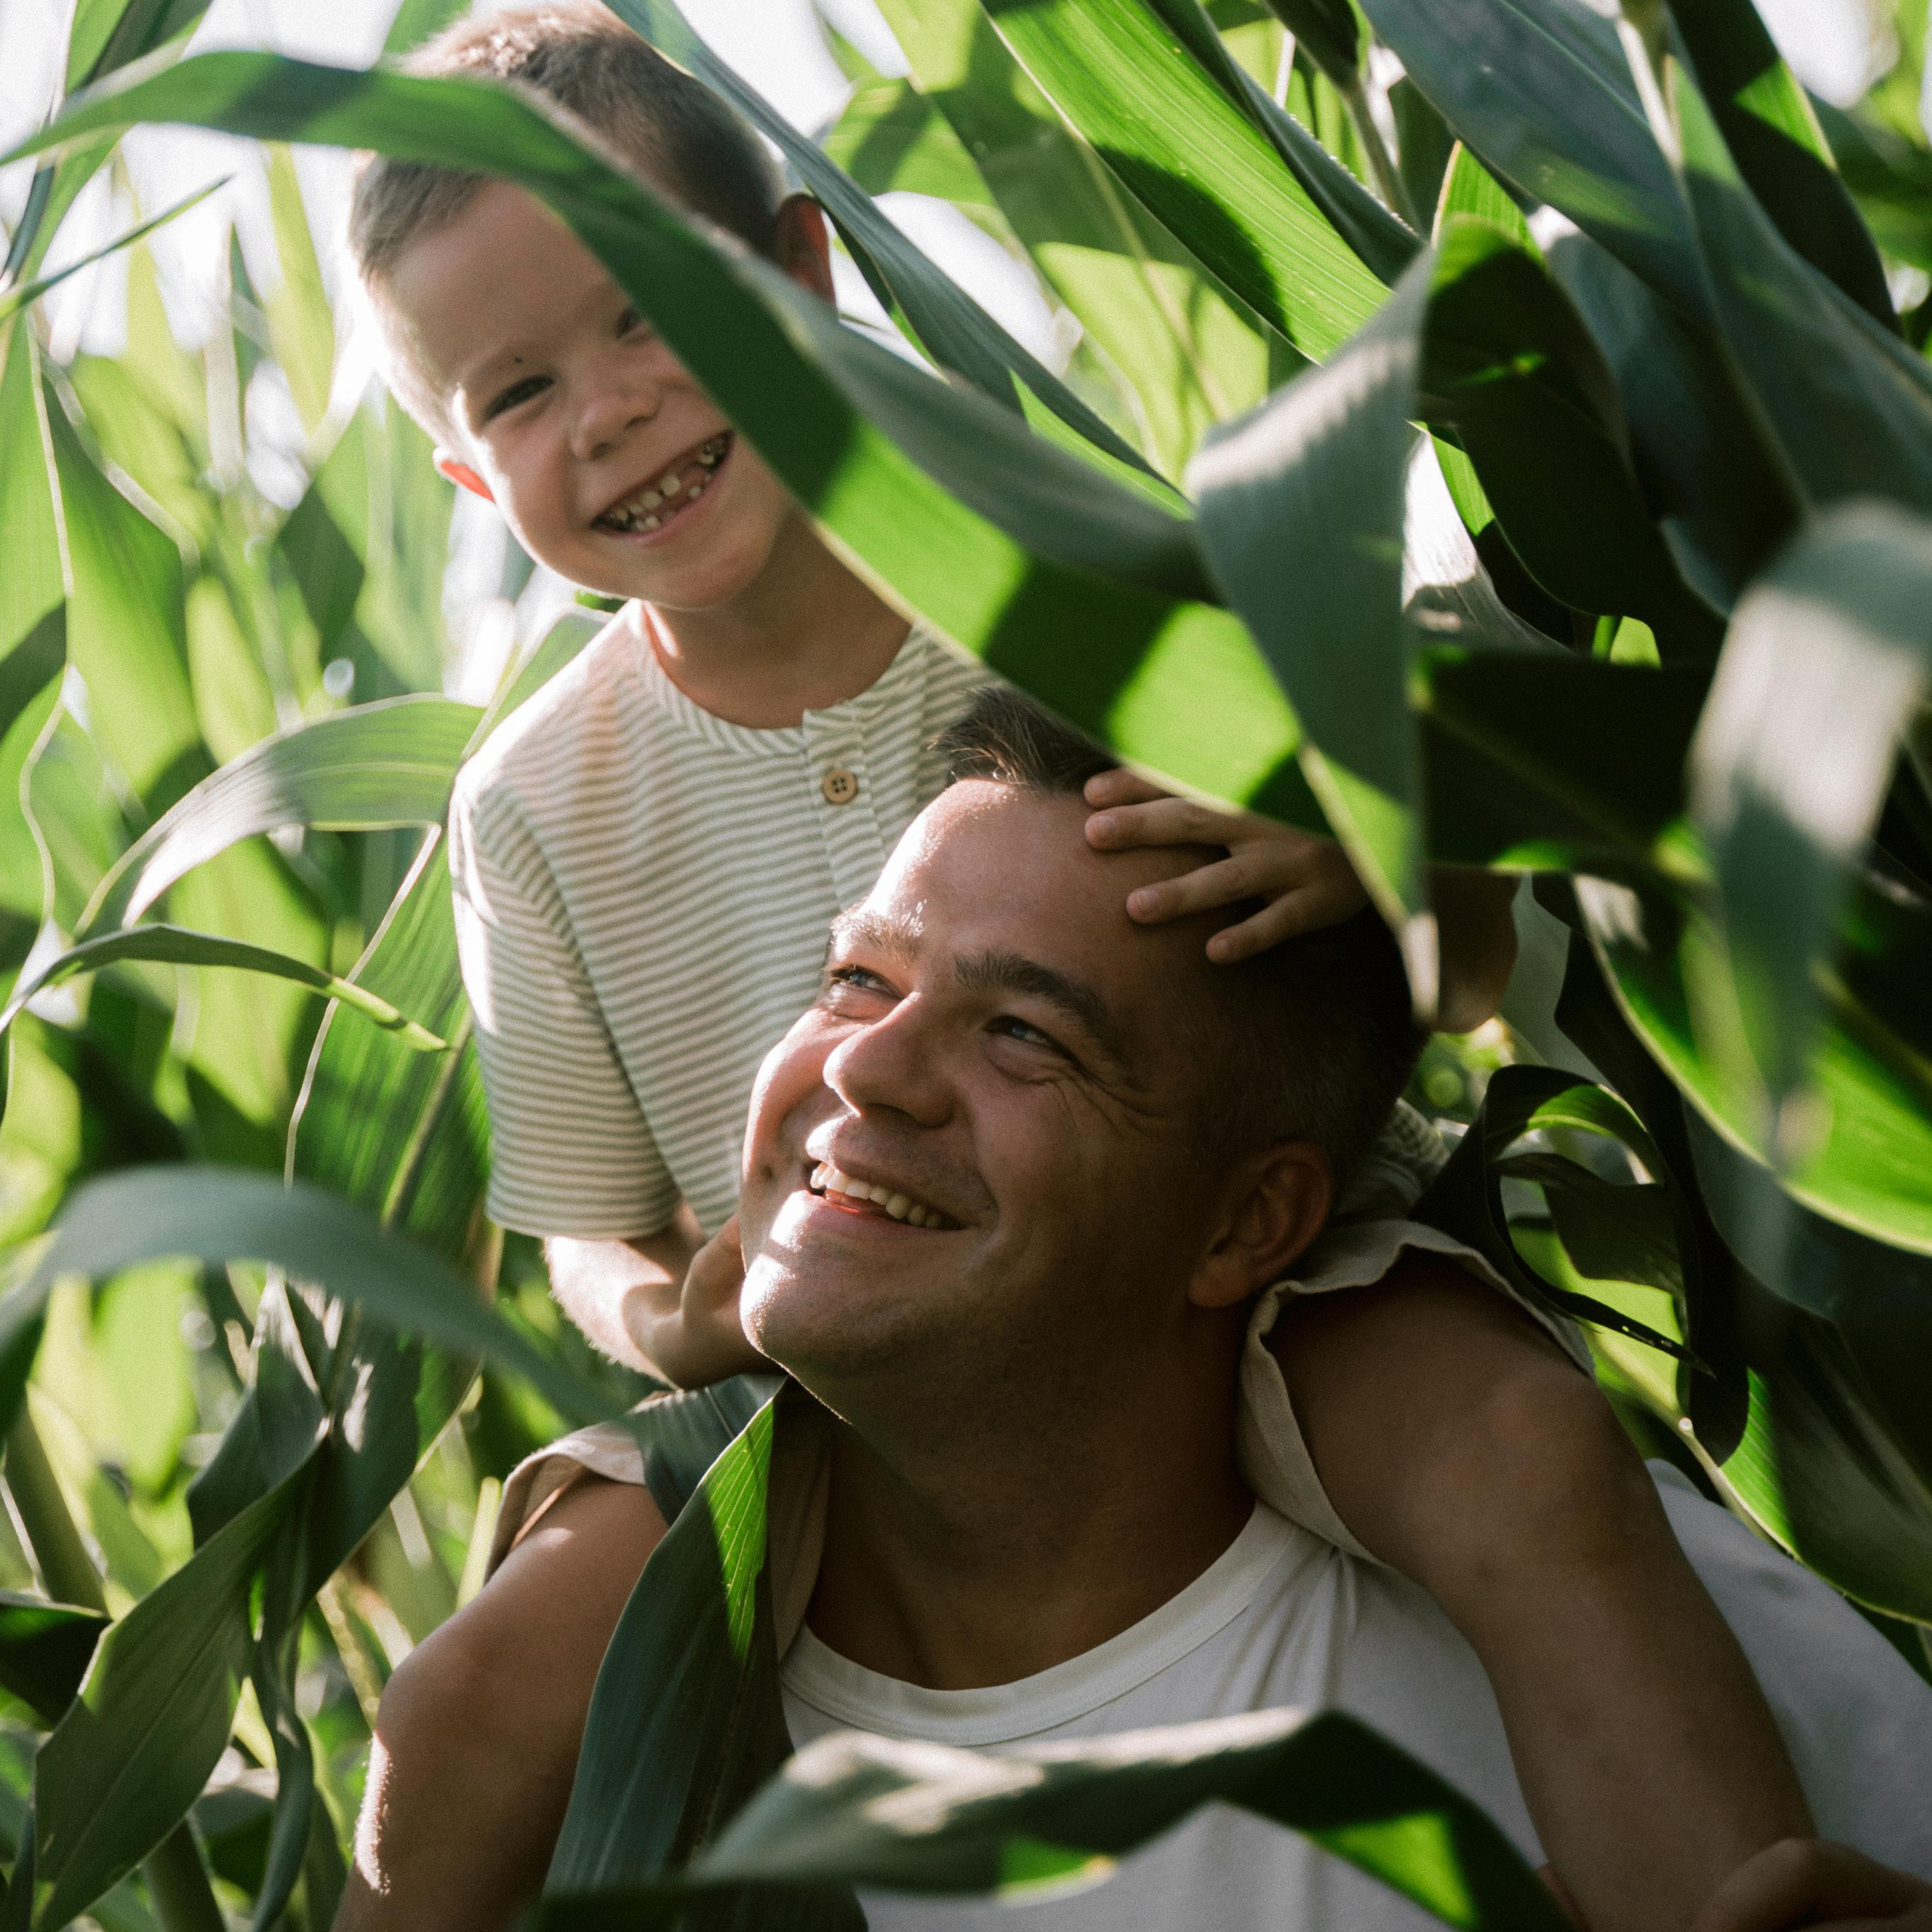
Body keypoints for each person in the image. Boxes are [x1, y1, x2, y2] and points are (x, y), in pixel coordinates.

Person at [343, 7, 1826, 1926]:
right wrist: (674, 1321)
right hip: (821, 1370)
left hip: (1253, 1274)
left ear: (802, 271)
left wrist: (1369, 836)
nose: (609, 408)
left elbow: (1469, 957)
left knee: (1519, 1453)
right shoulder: (532, 804)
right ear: (470, 482)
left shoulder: (1107, 588)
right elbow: (578, 1225)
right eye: (519, 393)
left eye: (643, 311)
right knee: (461, 1704)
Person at [342, 691, 1932, 1931]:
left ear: (1250, 1223)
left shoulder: (1599, 1612)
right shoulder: (602, 1725)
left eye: (1024, 1034)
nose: (870, 1071)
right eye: (857, 981)